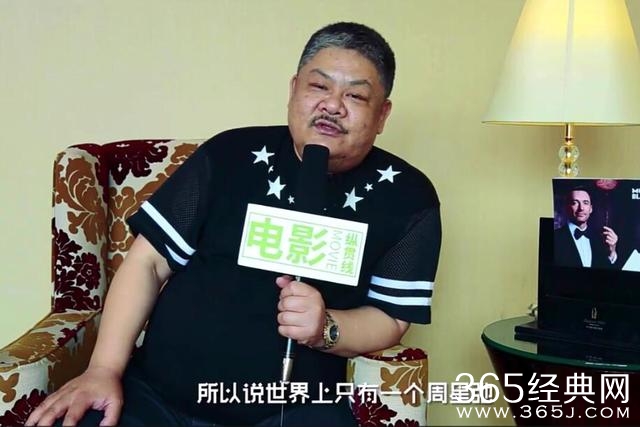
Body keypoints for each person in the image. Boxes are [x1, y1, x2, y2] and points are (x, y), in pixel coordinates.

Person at [26, 22, 441, 427]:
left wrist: (325, 328)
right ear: (293, 89)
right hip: (157, 396)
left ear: (382, 114)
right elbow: (147, 264)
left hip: (294, 410)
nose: (332, 105)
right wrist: (103, 369)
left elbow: (390, 318)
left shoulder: (408, 198)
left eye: (356, 95)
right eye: (319, 86)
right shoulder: (230, 154)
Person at [554, 187, 618, 269]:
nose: (581, 208)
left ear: (591, 209)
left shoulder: (600, 238)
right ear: (567, 207)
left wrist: (612, 252)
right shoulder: (555, 237)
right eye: (574, 203)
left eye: (585, 203)